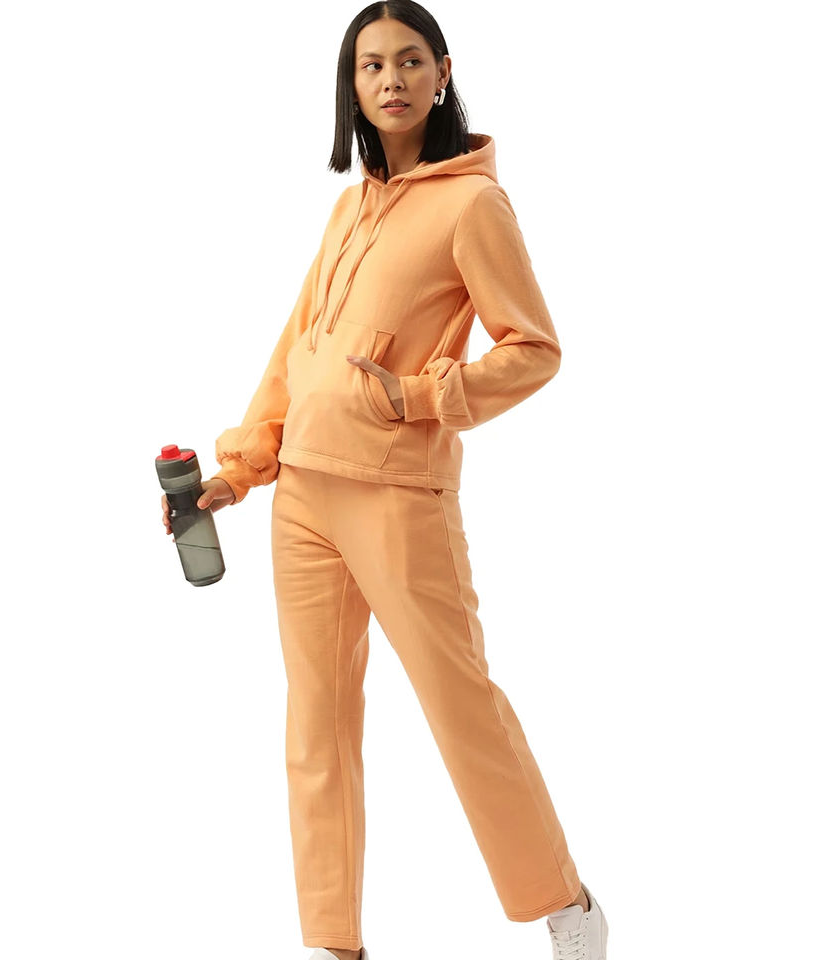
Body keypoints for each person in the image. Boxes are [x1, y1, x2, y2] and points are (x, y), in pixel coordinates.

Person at [162, 3, 608, 958]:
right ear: (352, 87)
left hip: (399, 496)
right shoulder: (349, 206)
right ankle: (335, 942)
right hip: (303, 500)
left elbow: (534, 348)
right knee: (316, 728)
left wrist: (420, 395)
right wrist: (239, 471)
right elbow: (296, 352)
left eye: (409, 61)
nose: (391, 80)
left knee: (460, 706)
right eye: (371, 66)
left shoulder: (473, 205)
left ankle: (567, 906)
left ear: (443, 73)